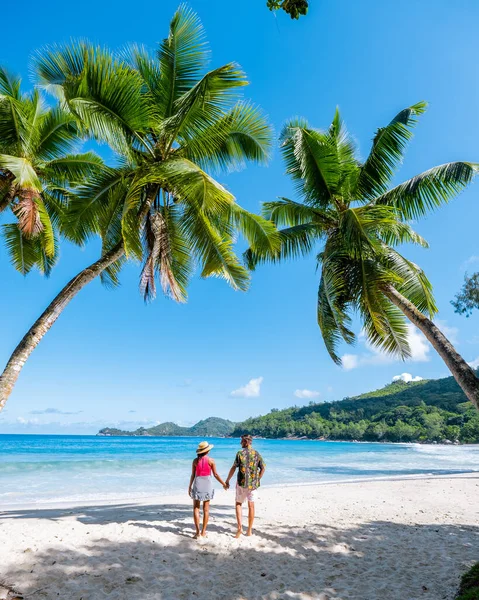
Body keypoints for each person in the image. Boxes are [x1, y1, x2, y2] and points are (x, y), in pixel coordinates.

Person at [225, 434, 266, 538]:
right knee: (251, 506)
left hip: (242, 483)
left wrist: (227, 480)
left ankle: (239, 529)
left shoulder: (240, 453)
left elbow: (233, 468)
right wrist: (257, 480)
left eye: (242, 441)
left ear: (247, 442)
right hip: (253, 485)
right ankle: (249, 530)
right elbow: (263, 468)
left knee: (238, 504)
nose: (240, 443)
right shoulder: (257, 454)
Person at [188, 441, 227, 539]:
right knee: (206, 509)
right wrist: (224, 484)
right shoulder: (211, 461)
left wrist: (189, 486)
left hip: (197, 483)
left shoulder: (195, 461)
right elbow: (216, 474)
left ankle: (197, 533)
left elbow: (193, 475)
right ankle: (203, 532)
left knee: (196, 508)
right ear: (207, 450)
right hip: (207, 484)